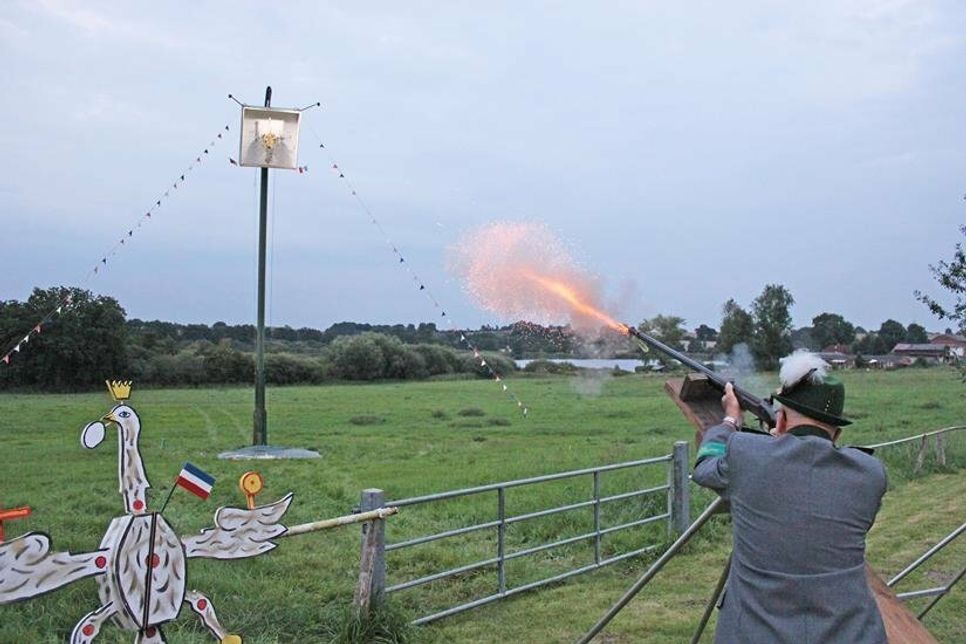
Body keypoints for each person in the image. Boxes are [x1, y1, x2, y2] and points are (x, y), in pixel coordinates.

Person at [693, 351, 887, 643]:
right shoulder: (871, 474)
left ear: (780, 420)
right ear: (835, 434)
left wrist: (731, 419)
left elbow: (705, 468)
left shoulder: (747, 453)